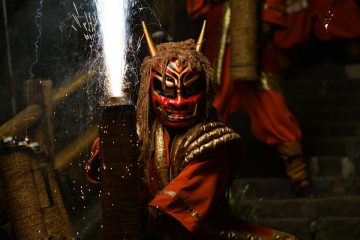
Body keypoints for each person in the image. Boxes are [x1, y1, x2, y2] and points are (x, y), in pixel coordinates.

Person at [86, 21, 297, 239]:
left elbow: (176, 209)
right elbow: (106, 173)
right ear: (149, 91)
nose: (179, 102)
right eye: (166, 90)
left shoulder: (213, 142)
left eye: (190, 90)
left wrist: (140, 219)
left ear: (204, 91)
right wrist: (115, 135)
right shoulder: (138, 134)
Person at [186, 0, 313, 197]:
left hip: (256, 37)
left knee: (273, 107)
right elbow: (197, 7)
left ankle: (300, 178)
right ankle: (200, 182)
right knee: (212, 107)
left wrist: (265, 23)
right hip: (221, 38)